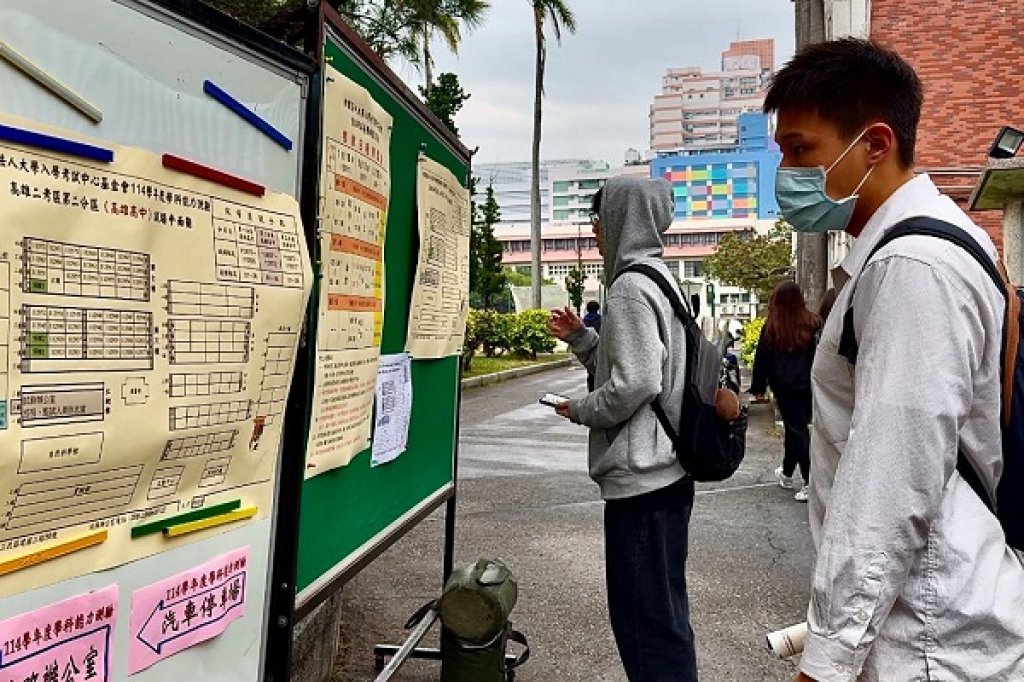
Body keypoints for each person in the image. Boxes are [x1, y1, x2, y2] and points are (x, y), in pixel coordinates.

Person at [767, 38, 1024, 680]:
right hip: (932, 622)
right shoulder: (914, 249)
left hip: (935, 639)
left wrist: (826, 659)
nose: (787, 174)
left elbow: (891, 474)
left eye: (802, 150)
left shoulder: (913, 267)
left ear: (875, 144)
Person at [548, 177, 697, 681]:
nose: (596, 232)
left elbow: (635, 383)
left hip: (643, 483)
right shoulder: (659, 276)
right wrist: (584, 340)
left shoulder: (630, 288)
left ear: (620, 218)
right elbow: (635, 366)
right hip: (669, 472)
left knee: (645, 628)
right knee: (665, 618)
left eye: (598, 219)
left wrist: (582, 409)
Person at [748, 280, 820, 503]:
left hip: (784, 386)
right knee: (795, 428)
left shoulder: (773, 325)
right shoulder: (813, 322)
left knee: (797, 430)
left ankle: (810, 483)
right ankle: (787, 473)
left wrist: (758, 388)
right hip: (809, 384)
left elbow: (762, 359)